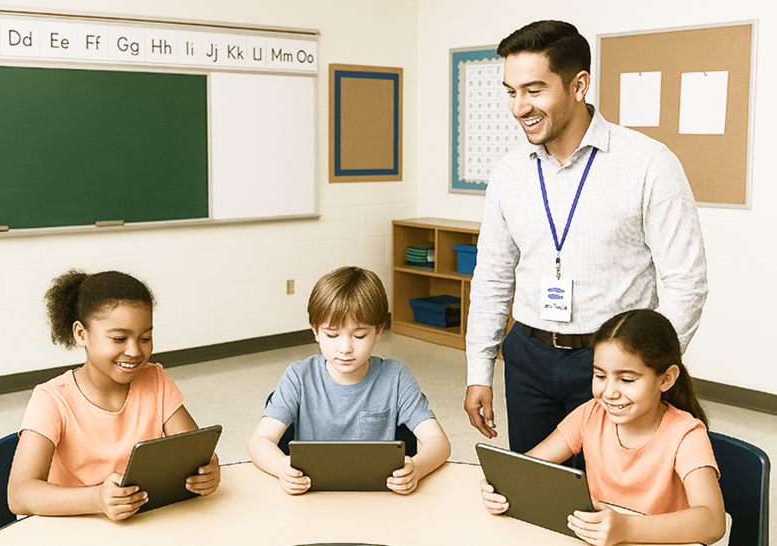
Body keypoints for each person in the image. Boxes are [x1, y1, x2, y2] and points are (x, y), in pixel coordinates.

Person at [463, 20, 708, 455]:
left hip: (612, 363)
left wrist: (643, 370)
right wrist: (478, 371)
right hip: (529, 356)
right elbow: (493, 278)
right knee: (533, 490)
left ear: (579, 85)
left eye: (534, 90)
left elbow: (685, 281)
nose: (520, 107)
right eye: (511, 91)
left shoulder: (649, 164)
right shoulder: (509, 173)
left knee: (607, 499)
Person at [480, 309, 725, 546]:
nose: (609, 393)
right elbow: (524, 468)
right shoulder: (590, 414)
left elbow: (713, 523)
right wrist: (499, 487)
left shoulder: (687, 433)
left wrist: (626, 527)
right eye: (599, 376)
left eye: (627, 379)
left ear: (667, 379)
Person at [8, 270, 221, 521]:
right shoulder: (51, 399)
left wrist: (208, 470)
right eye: (119, 338)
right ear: (81, 334)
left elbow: (193, 451)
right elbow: (19, 495)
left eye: (145, 338)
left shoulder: (156, 379)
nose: (134, 351)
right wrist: (96, 498)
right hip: (76, 528)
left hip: (142, 525)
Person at [248, 266, 451, 495]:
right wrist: (280, 467)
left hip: (376, 496)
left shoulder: (396, 377)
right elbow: (259, 442)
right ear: (315, 332)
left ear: (378, 332)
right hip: (312, 495)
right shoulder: (298, 377)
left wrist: (417, 467)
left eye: (359, 335)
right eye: (332, 335)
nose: (345, 348)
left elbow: (438, 442)